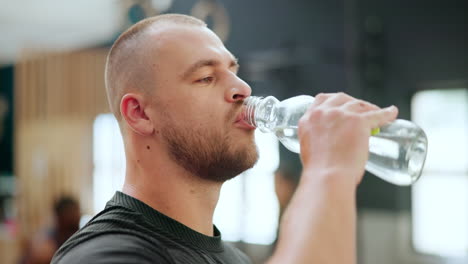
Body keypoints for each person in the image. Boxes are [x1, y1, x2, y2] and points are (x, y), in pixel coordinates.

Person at [52, 13, 398, 264]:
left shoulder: (236, 260)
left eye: (233, 71)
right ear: (140, 114)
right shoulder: (103, 255)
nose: (243, 89)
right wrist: (328, 171)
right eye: (205, 77)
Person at [21, 196, 80, 264]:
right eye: (72, 214)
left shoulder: (78, 236)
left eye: (78, 212)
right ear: (60, 217)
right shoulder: (45, 243)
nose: (78, 216)